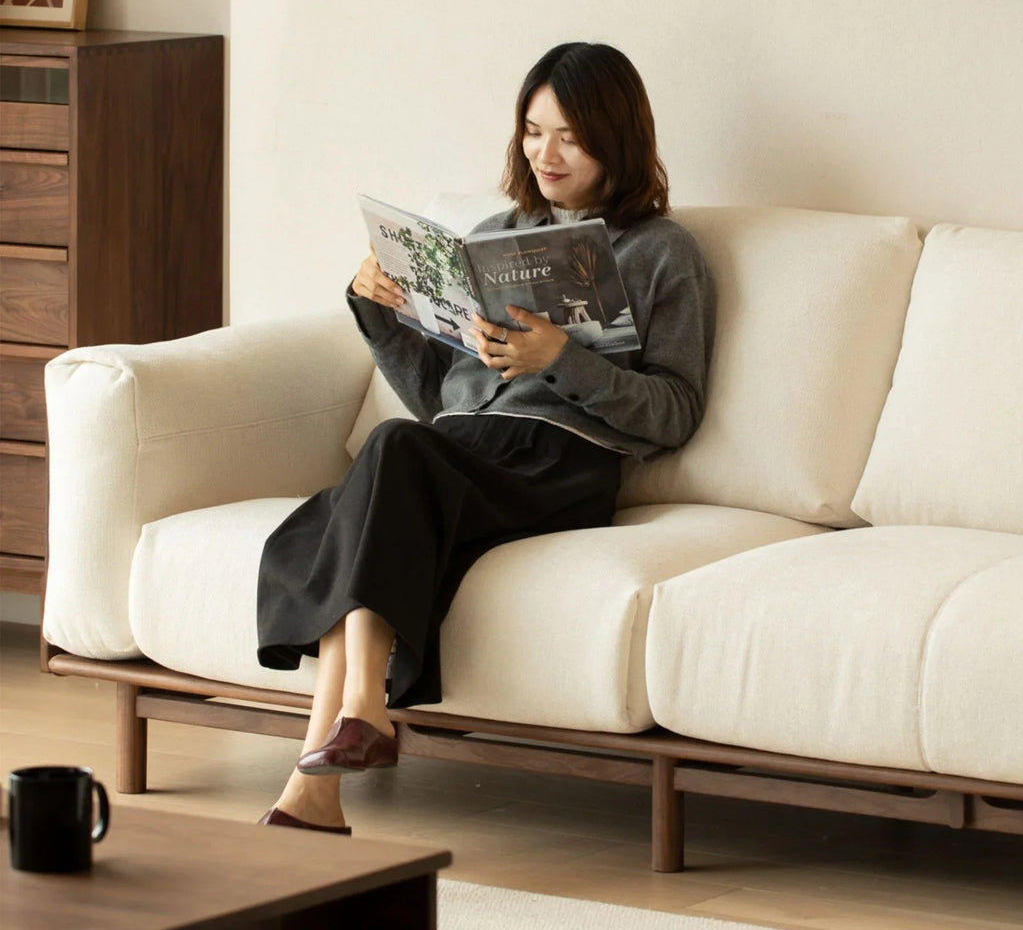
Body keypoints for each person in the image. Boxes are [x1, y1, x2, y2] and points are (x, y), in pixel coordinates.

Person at [256, 42, 715, 834]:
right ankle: (319, 785)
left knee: (378, 468)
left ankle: (364, 712)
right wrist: (382, 312)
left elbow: (675, 412)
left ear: (619, 138)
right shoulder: (493, 237)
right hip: (467, 449)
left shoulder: (662, 252)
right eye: (534, 131)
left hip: (561, 463)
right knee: (347, 504)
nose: (546, 153)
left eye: (569, 135)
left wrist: (561, 360)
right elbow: (440, 395)